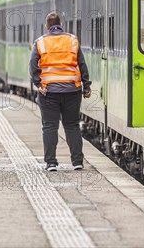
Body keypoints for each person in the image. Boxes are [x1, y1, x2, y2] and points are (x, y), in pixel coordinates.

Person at [29, 12, 91, 171]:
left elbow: (32, 65)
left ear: (47, 26)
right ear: (60, 25)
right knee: (72, 126)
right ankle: (77, 162)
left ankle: (51, 163)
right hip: (72, 90)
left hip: (48, 92)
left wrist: (38, 83)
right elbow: (82, 64)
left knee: (50, 126)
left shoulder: (40, 42)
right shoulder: (72, 40)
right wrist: (87, 86)